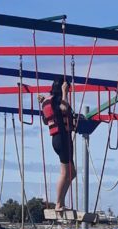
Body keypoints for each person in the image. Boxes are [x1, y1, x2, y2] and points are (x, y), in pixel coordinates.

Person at [38, 77, 76, 213]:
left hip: (59, 138)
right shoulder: (56, 100)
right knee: (65, 173)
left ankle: (61, 202)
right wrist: (65, 92)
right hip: (61, 137)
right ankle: (58, 204)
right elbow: (64, 108)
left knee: (72, 173)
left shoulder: (46, 101)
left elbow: (45, 120)